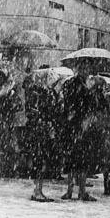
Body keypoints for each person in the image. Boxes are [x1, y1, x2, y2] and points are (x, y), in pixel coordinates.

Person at [60, 59, 107, 201]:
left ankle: (78, 191)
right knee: (76, 160)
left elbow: (98, 106)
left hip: (80, 126)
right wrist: (89, 91)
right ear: (79, 69)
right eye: (84, 68)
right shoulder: (75, 84)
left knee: (80, 160)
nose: (86, 71)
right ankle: (74, 191)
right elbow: (74, 104)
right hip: (77, 126)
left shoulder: (82, 84)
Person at [23, 68, 62, 201]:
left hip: (45, 129)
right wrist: (43, 117)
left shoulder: (48, 93)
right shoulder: (40, 93)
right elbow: (33, 111)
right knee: (40, 159)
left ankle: (38, 189)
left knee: (43, 159)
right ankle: (37, 190)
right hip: (41, 130)